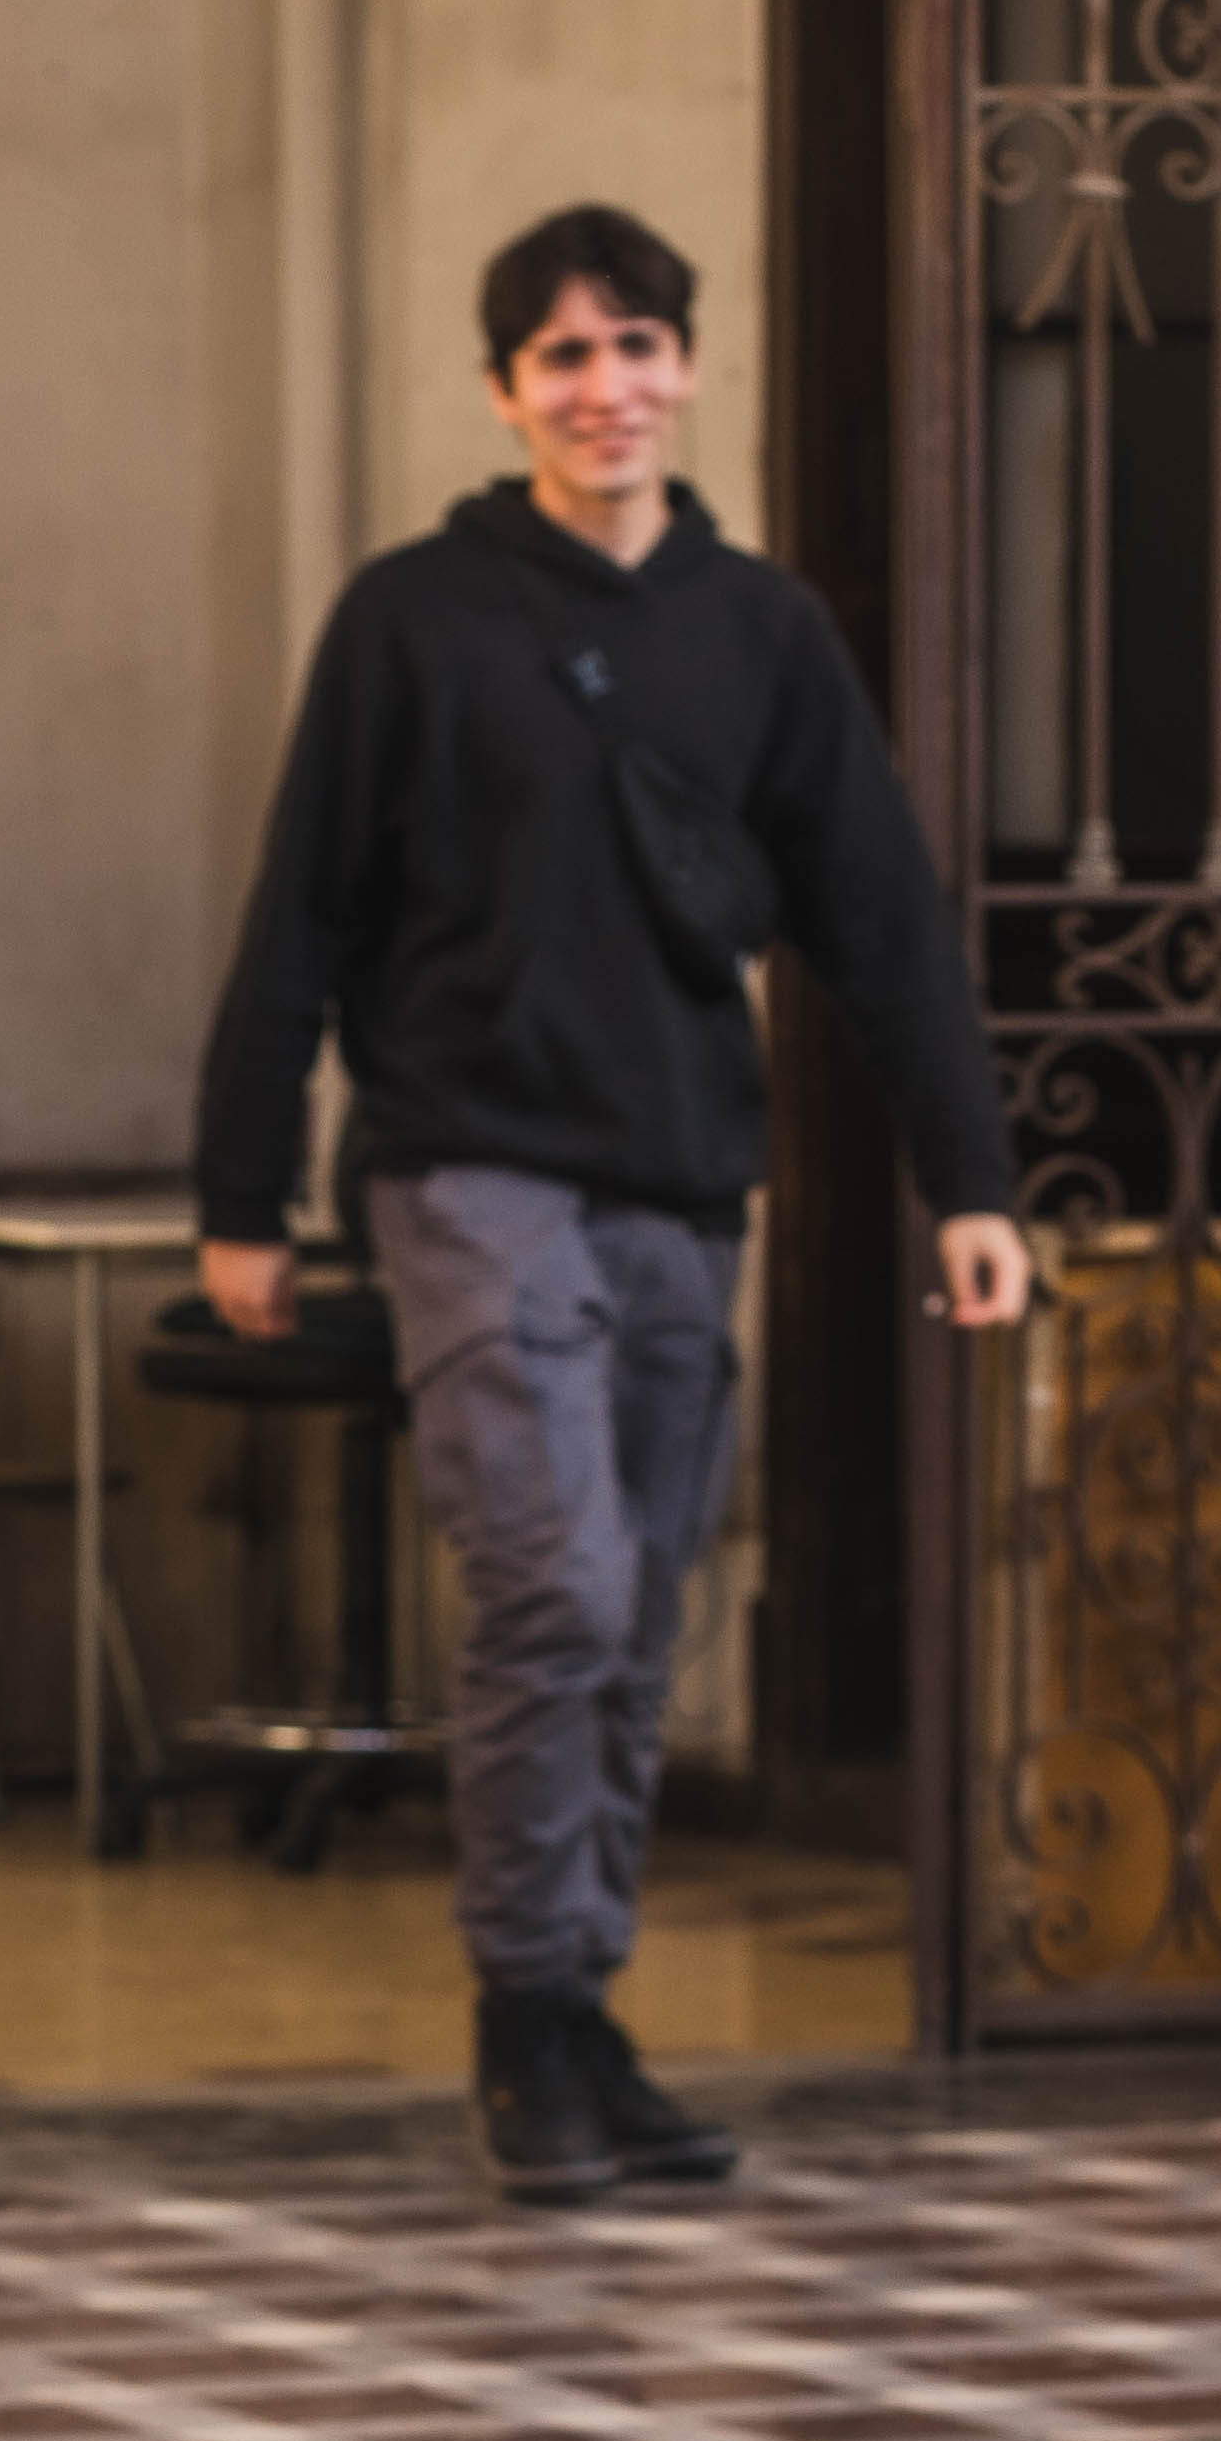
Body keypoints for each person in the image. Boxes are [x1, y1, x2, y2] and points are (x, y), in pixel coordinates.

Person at [193, 202, 1031, 2206]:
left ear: (688, 366)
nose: (606, 387)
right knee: (552, 1581)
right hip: (466, 1169)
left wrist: (968, 1178)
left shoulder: (762, 632)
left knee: (637, 1610)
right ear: (503, 391)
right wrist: (242, 1183)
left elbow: (880, 918)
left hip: (678, 1181)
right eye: (562, 355)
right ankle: (525, 2008)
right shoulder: (411, 618)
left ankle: (578, 2008)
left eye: (638, 345)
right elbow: (303, 903)